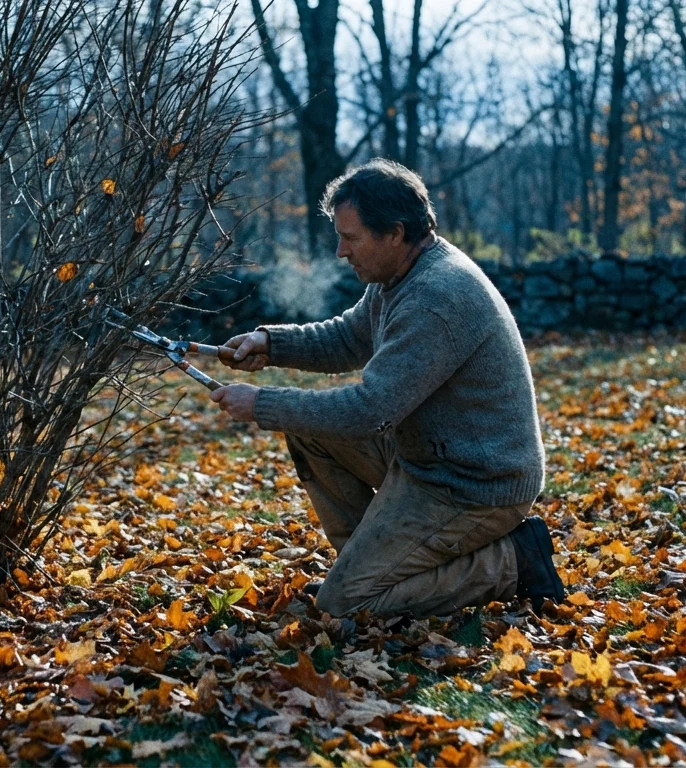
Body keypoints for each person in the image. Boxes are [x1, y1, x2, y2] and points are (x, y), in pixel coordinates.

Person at [209, 159, 565, 618]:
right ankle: (369, 569)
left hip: (475, 483)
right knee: (310, 428)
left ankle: (512, 561)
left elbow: (368, 410)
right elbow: (346, 339)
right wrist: (271, 343)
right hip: (427, 459)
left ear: (395, 233)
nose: (340, 250)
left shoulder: (436, 295)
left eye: (351, 238)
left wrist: (262, 403)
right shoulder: (398, 276)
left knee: (344, 604)